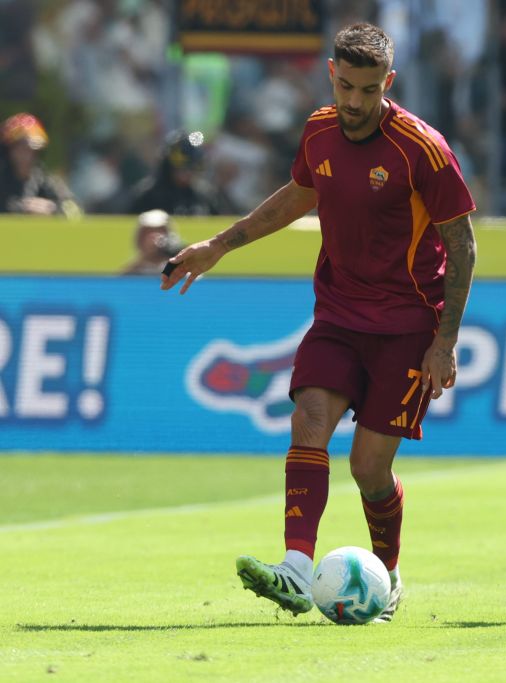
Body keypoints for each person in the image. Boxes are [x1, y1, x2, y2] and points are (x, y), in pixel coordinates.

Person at [160, 23, 477, 623]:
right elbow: (298, 194)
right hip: (338, 312)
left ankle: (387, 573)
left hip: (409, 324)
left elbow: (462, 246)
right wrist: (220, 245)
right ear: (331, 73)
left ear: (389, 83)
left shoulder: (424, 149)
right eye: (346, 87)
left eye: (368, 90)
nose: (355, 103)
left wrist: (446, 340)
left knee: (369, 469)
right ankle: (296, 569)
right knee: (308, 421)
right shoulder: (319, 129)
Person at [128, 130, 235, 216]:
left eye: (191, 168)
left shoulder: (206, 195)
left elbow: (221, 225)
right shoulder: (147, 195)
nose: (186, 173)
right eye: (181, 168)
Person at [0, 112, 80, 216]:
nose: (26, 153)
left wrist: (52, 208)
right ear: (8, 150)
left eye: (32, 148)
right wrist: (21, 209)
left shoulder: (43, 179)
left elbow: (74, 209)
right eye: (20, 146)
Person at [121, 209, 184, 275]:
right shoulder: (131, 272)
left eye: (160, 231)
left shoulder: (182, 269)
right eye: (148, 232)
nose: (154, 237)